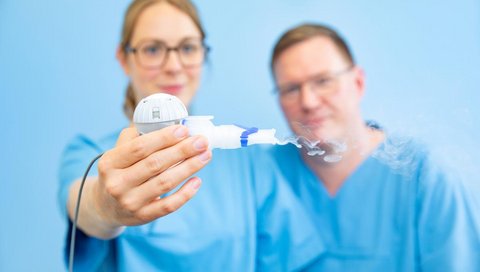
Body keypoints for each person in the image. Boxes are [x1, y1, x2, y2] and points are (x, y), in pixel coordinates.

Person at [58, 1, 324, 271]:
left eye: (187, 48)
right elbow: (83, 204)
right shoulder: (91, 153)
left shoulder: (250, 164)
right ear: (124, 59)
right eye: (153, 49)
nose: (174, 66)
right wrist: (105, 206)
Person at [267, 23, 480, 271]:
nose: (309, 101)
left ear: (358, 82)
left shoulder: (425, 175)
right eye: (291, 89)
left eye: (324, 81)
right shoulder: (267, 176)